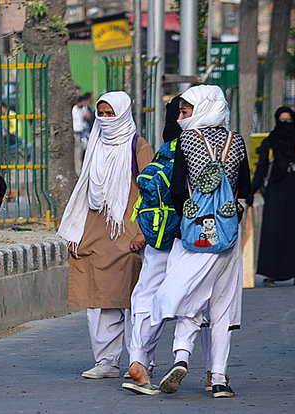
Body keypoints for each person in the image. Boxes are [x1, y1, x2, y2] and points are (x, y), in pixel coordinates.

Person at [151, 85, 250, 398]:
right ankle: (219, 378)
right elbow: (247, 186)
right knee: (221, 309)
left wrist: (194, 211)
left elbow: (178, 189)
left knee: (190, 304)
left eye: (184, 111)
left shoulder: (187, 140)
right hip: (228, 235)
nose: (181, 118)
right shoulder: (236, 141)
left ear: (201, 108)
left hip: (193, 235)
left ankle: (181, 357)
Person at [58, 91, 154, 380]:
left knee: (132, 301)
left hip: (130, 230)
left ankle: (140, 361)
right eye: (102, 113)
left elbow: (152, 192)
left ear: (124, 114)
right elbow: (84, 190)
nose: (105, 119)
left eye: (111, 113)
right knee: (100, 301)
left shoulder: (139, 146)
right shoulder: (95, 145)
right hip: (97, 228)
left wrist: (144, 232)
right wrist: (76, 231)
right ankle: (106, 361)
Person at [123, 96, 214, 395]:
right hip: (188, 235)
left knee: (147, 296)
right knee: (194, 300)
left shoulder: (164, 148)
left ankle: (139, 360)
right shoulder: (200, 144)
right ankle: (209, 369)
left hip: (158, 235)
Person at [247, 107, 295, 286]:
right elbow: (261, 168)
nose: (285, 124)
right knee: (273, 233)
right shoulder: (269, 142)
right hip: (275, 194)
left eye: (288, 120)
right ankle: (271, 274)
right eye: (282, 120)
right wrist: (250, 192)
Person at [72, 95, 92, 175]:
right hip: (76, 133)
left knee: (85, 152)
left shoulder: (83, 109)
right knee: (77, 154)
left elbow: (88, 117)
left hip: (83, 134)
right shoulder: (74, 109)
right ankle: (78, 173)